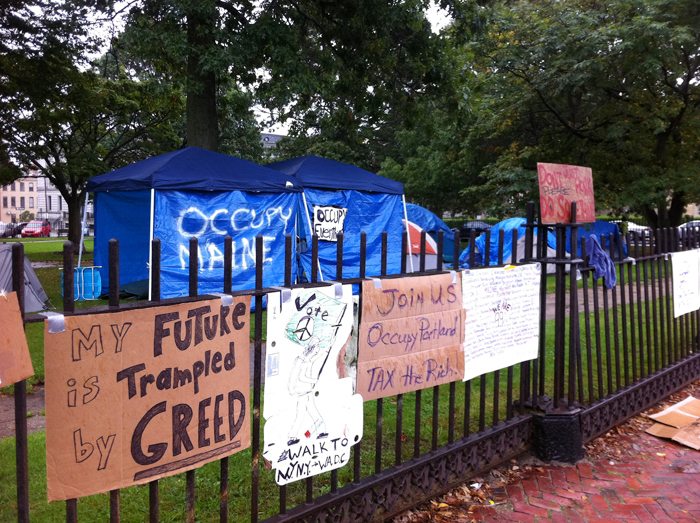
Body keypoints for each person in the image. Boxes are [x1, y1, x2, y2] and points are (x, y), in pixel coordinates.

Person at [286, 336, 329, 444]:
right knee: (301, 415)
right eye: (315, 350)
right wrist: (314, 380)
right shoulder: (304, 362)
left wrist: (325, 351)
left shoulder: (303, 358)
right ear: (311, 349)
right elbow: (302, 377)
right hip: (304, 391)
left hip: (305, 391)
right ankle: (292, 437)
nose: (316, 352)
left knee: (312, 412)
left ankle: (320, 431)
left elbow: (314, 358)